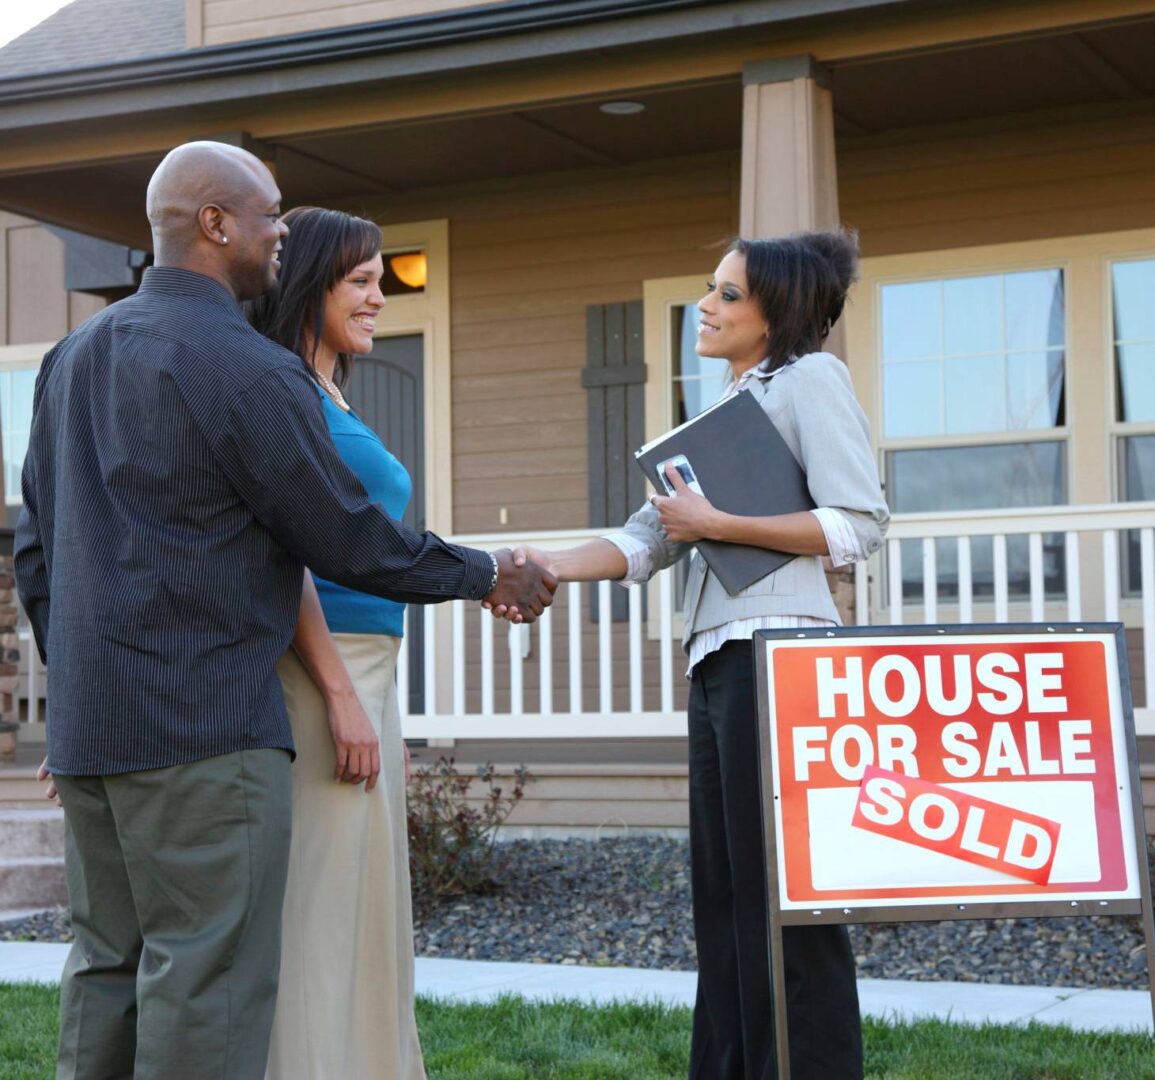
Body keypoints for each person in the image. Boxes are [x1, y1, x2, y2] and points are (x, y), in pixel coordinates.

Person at [15, 141, 555, 1080]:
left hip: (94, 728)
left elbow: (36, 549)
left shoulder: (73, 357)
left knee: (106, 967)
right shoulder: (244, 369)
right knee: (206, 985)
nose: (279, 233)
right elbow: (347, 538)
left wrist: (77, 685)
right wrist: (488, 574)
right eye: (268, 214)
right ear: (214, 225)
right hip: (205, 732)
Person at [513, 230, 888, 1079]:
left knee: (785, 901)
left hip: (780, 659)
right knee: (723, 899)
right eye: (708, 289)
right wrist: (542, 566)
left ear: (774, 313)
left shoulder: (809, 380)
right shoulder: (723, 410)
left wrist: (719, 524)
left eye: (726, 294)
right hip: (719, 662)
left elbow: (857, 523)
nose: (705, 307)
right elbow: (647, 540)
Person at [246, 205, 425, 1079]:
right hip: (323, 676)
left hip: (370, 671)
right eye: (359, 280)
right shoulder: (284, 392)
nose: (377, 297)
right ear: (310, 282)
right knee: (320, 907)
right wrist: (341, 695)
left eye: (379, 279)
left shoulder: (328, 390)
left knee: (365, 905)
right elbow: (288, 557)